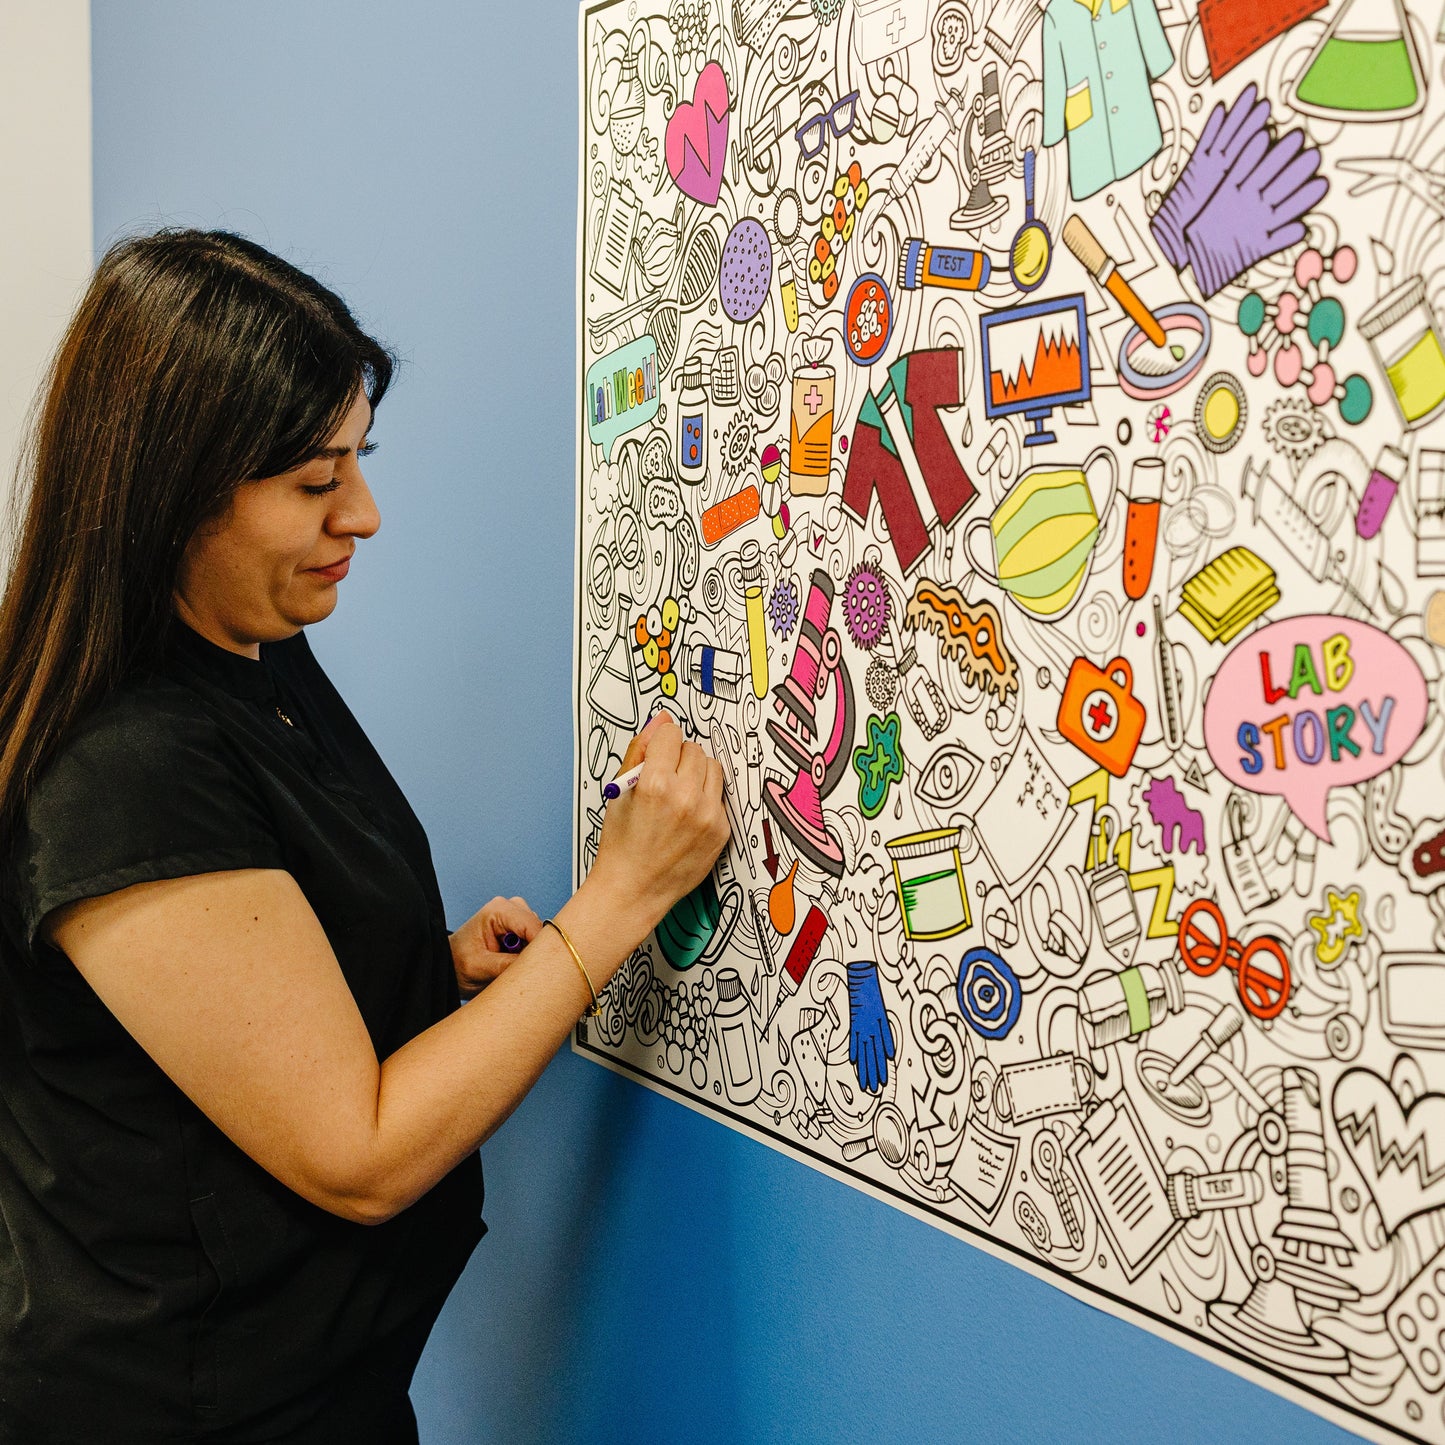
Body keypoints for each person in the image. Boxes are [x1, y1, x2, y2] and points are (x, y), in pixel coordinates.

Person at [0, 229, 728, 1444]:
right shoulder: (124, 764)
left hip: (321, 1385)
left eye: (359, 460)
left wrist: (420, 969)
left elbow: (218, 976)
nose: (364, 515)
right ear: (174, 490)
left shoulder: (257, 644)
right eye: (312, 483)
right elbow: (361, 1153)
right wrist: (621, 897)